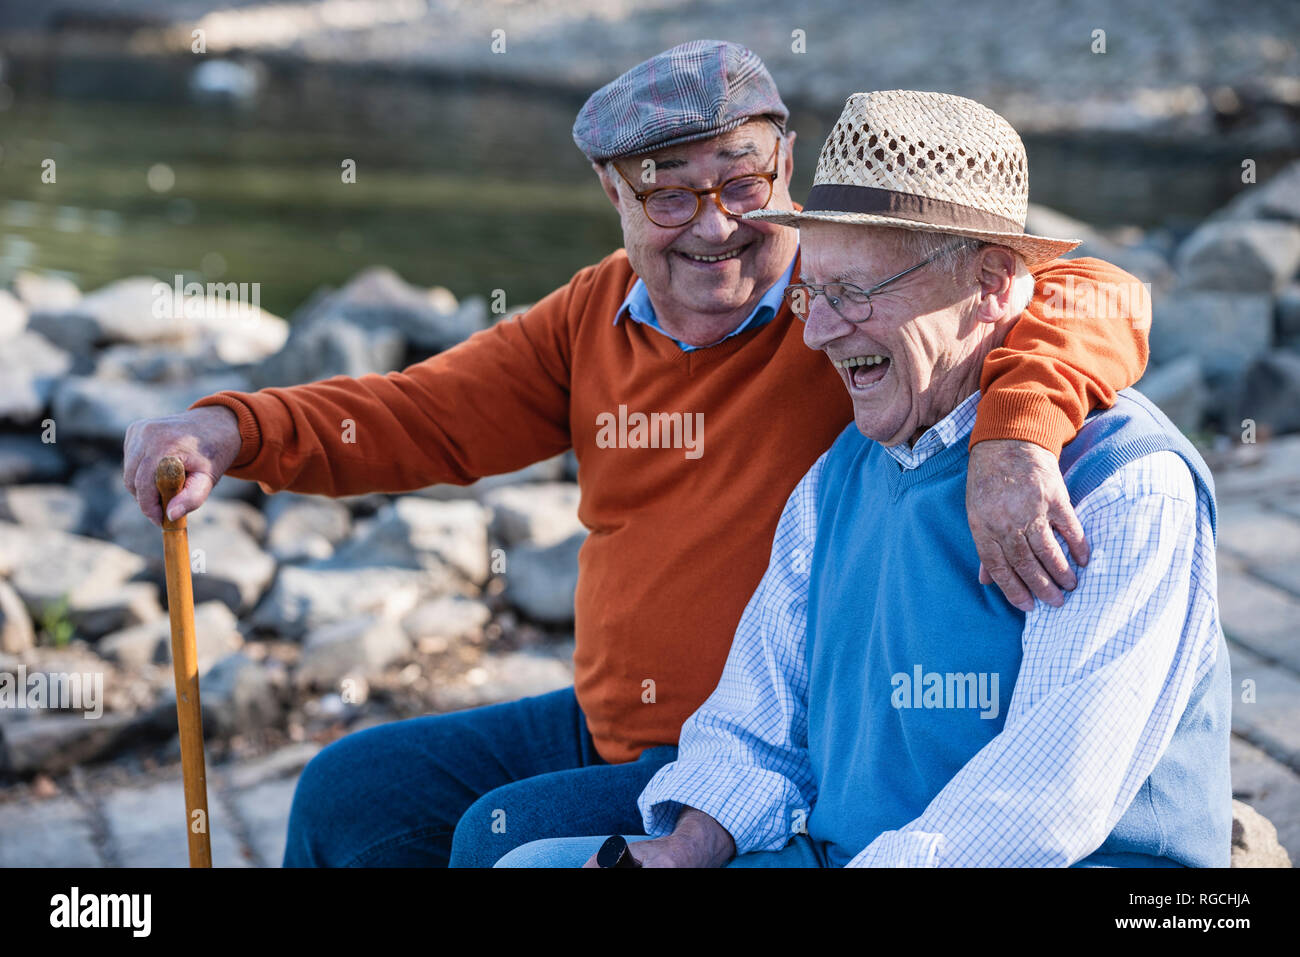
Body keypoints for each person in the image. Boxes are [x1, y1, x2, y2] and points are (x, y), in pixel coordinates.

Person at [122, 45, 1153, 867]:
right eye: (669, 194)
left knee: (504, 837)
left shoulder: (852, 301)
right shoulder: (588, 316)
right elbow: (420, 414)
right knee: (353, 790)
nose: (714, 226)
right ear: (610, 193)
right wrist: (232, 428)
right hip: (609, 720)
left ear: (784, 170)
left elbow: (1091, 291)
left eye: (742, 184)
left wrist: (1017, 434)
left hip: (762, 745)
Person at [497, 91, 1229, 869]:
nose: (816, 331)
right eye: (816, 291)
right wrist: (686, 845)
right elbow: (756, 725)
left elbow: (1043, 802)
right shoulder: (838, 476)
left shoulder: (1122, 483)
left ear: (990, 286)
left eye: (857, 293)